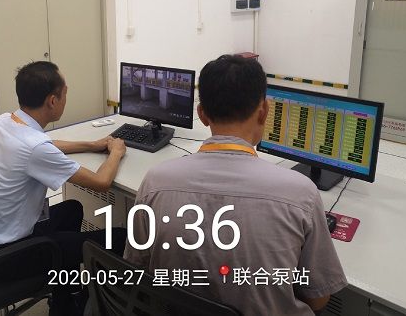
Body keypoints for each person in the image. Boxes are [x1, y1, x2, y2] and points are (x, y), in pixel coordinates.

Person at [124, 55, 347, 315]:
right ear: (264, 111)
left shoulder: (155, 182)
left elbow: (137, 266)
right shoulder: (301, 194)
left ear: (202, 114)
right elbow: (318, 299)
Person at [0, 61, 127, 314]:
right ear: (53, 101)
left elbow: (44, 144)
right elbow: (101, 183)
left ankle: (65, 301)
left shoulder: (5, 122)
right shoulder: (34, 147)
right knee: (119, 238)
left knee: (72, 209)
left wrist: (91, 145)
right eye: (65, 93)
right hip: (8, 257)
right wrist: (116, 152)